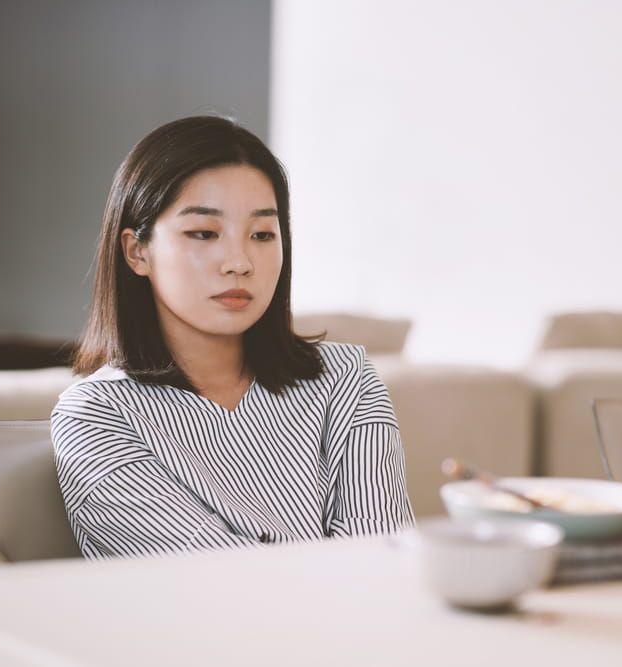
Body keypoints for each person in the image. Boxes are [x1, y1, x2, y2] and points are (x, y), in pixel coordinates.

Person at [51, 116, 415, 559]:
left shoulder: (345, 378)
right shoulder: (96, 416)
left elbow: (384, 560)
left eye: (262, 234)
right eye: (204, 233)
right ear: (137, 251)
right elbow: (224, 582)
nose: (240, 262)